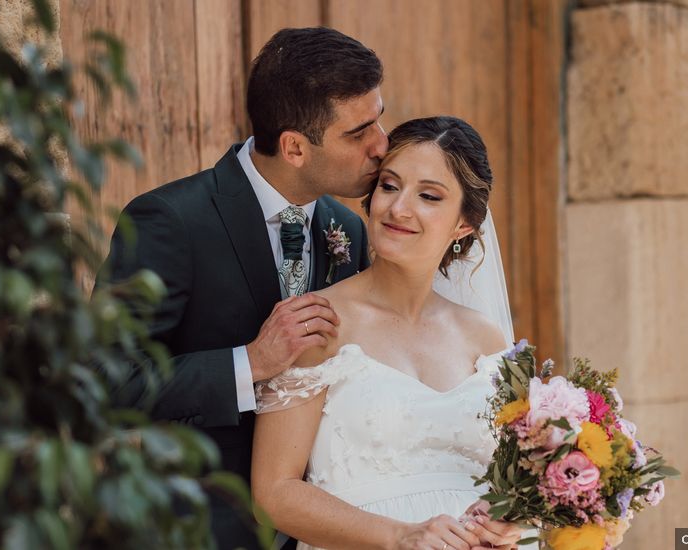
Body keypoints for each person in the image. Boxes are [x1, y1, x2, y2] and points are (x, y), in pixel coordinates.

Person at [99, 27, 386, 549]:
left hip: (333, 526)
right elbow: (104, 383)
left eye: (379, 118)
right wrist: (250, 362)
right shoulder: (170, 221)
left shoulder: (350, 229)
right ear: (295, 147)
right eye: (358, 132)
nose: (381, 145)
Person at [251, 117, 529, 549]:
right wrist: (401, 536)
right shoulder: (319, 323)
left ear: (464, 225)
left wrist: (511, 522)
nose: (398, 208)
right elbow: (274, 494)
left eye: (429, 196)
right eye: (389, 186)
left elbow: (524, 482)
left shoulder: (487, 340)